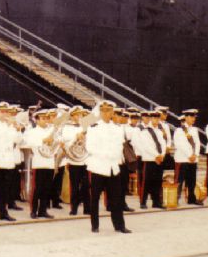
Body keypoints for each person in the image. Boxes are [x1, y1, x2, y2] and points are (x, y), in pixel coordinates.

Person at [86, 100, 130, 233]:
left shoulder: (117, 128)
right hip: (98, 166)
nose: (105, 113)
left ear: (112, 112)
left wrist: (113, 155)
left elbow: (119, 146)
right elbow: (90, 147)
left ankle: (119, 225)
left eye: (108, 111)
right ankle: (95, 225)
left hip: (113, 167)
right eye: (103, 111)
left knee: (116, 198)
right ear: (100, 112)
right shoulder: (93, 127)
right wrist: (106, 154)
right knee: (95, 198)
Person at [23, 109, 57, 219]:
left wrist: (55, 140)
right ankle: (33, 211)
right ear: (36, 120)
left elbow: (56, 143)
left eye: (47, 118)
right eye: (43, 119)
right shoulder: (32, 132)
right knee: (37, 188)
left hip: (49, 162)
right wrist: (44, 140)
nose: (45, 121)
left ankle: (43, 210)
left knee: (47, 188)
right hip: (39, 163)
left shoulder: (51, 130)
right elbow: (30, 143)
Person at [61, 106, 90, 215]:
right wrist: (76, 137)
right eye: (77, 115)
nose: (80, 117)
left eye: (81, 115)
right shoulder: (67, 128)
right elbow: (66, 143)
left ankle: (87, 208)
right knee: (74, 186)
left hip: (85, 160)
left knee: (86, 185)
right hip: (74, 160)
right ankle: (74, 208)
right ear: (72, 116)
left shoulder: (86, 127)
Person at [173, 109, 202, 206]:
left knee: (192, 181)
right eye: (191, 117)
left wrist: (195, 154)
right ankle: (175, 199)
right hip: (183, 159)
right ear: (186, 117)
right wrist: (190, 155)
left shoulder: (194, 130)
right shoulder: (179, 130)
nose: (193, 119)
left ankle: (191, 199)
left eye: (194, 117)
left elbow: (197, 143)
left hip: (192, 160)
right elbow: (180, 144)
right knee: (179, 181)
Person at [138, 110, 166, 209]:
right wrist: (156, 155)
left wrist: (162, 155)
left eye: (158, 118)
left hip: (159, 159)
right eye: (154, 118)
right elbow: (147, 146)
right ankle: (143, 202)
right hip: (150, 159)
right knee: (146, 181)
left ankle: (156, 202)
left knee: (157, 182)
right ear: (150, 119)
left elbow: (163, 144)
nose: (156, 120)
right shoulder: (145, 131)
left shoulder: (159, 131)